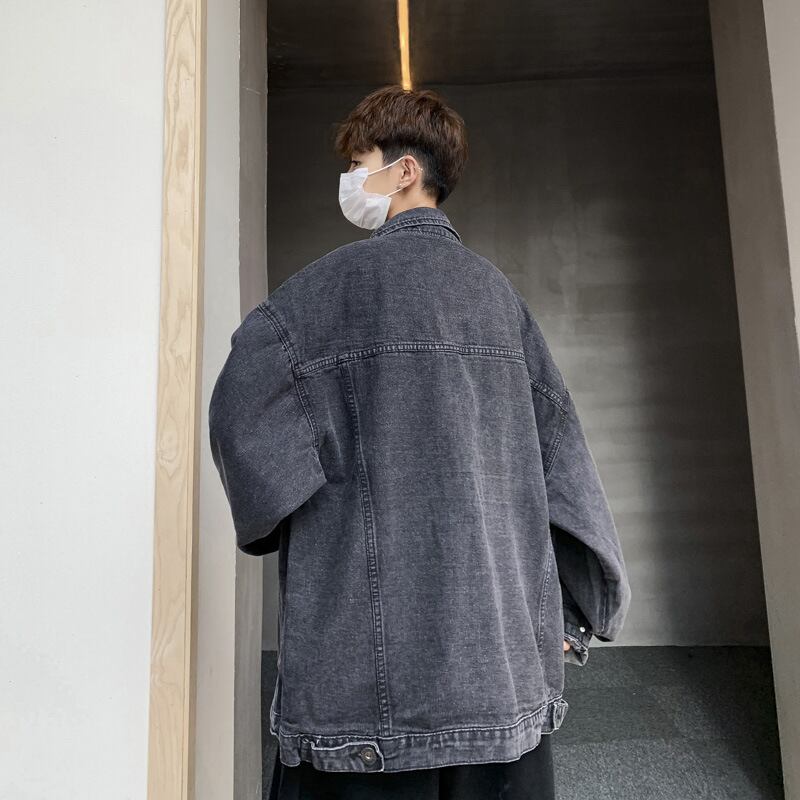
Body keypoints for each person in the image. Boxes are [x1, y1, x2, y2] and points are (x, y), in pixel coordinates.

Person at [209, 84, 631, 799]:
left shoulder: (316, 296)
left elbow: (237, 414)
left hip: (357, 690)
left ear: (404, 170)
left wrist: (285, 509)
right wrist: (580, 608)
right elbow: (563, 457)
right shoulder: (498, 300)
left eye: (358, 163)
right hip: (495, 673)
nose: (350, 180)